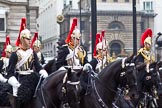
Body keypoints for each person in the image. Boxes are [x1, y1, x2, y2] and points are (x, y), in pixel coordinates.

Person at [6, 28, 48, 108]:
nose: (30, 41)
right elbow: (10, 72)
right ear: (22, 39)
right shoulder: (15, 54)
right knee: (18, 95)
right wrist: (15, 82)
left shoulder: (32, 53)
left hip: (32, 77)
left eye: (30, 39)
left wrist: (43, 71)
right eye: (28, 39)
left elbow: (38, 66)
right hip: (20, 79)